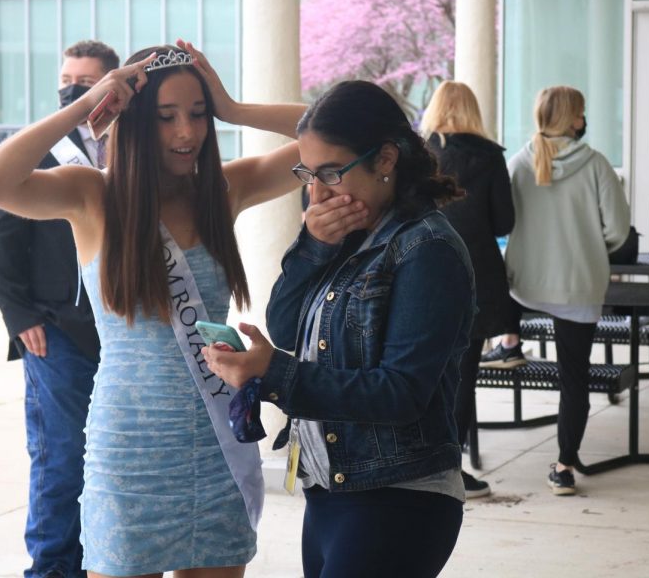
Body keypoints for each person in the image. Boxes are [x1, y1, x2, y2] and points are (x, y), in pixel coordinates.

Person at [0, 41, 305, 578]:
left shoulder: (224, 189)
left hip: (215, 446)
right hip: (129, 449)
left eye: (198, 115)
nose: (186, 133)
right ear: (131, 118)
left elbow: (335, 140)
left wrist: (235, 108)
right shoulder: (91, 195)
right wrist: (87, 105)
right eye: (167, 117)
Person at [203, 80, 474, 578]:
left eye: (331, 172)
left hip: (400, 496)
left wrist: (277, 374)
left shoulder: (426, 249)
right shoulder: (345, 230)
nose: (318, 191)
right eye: (308, 172)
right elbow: (284, 325)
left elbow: (402, 392)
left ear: (386, 159)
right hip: (331, 489)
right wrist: (312, 246)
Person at [0, 39, 119, 578]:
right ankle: (54, 568)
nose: (73, 90)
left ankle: (98, 563)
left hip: (122, 333)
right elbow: (0, 234)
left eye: (86, 84)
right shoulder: (41, 150)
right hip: (55, 331)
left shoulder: (132, 149)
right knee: (62, 459)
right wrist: (20, 317)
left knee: (110, 460)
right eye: (67, 81)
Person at [502, 86, 630, 495]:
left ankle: (509, 342)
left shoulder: (519, 163)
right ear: (574, 119)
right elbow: (618, 229)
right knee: (573, 379)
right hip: (579, 285)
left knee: (507, 312)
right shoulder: (595, 164)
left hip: (526, 285)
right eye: (582, 112)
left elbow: (503, 222)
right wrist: (592, 248)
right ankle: (563, 467)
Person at [421, 80, 516, 499]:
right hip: (476, 274)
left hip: (422, 271)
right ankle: (450, 469)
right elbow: (504, 223)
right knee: (463, 374)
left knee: (425, 371)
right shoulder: (490, 156)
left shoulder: (420, 154)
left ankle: (424, 462)